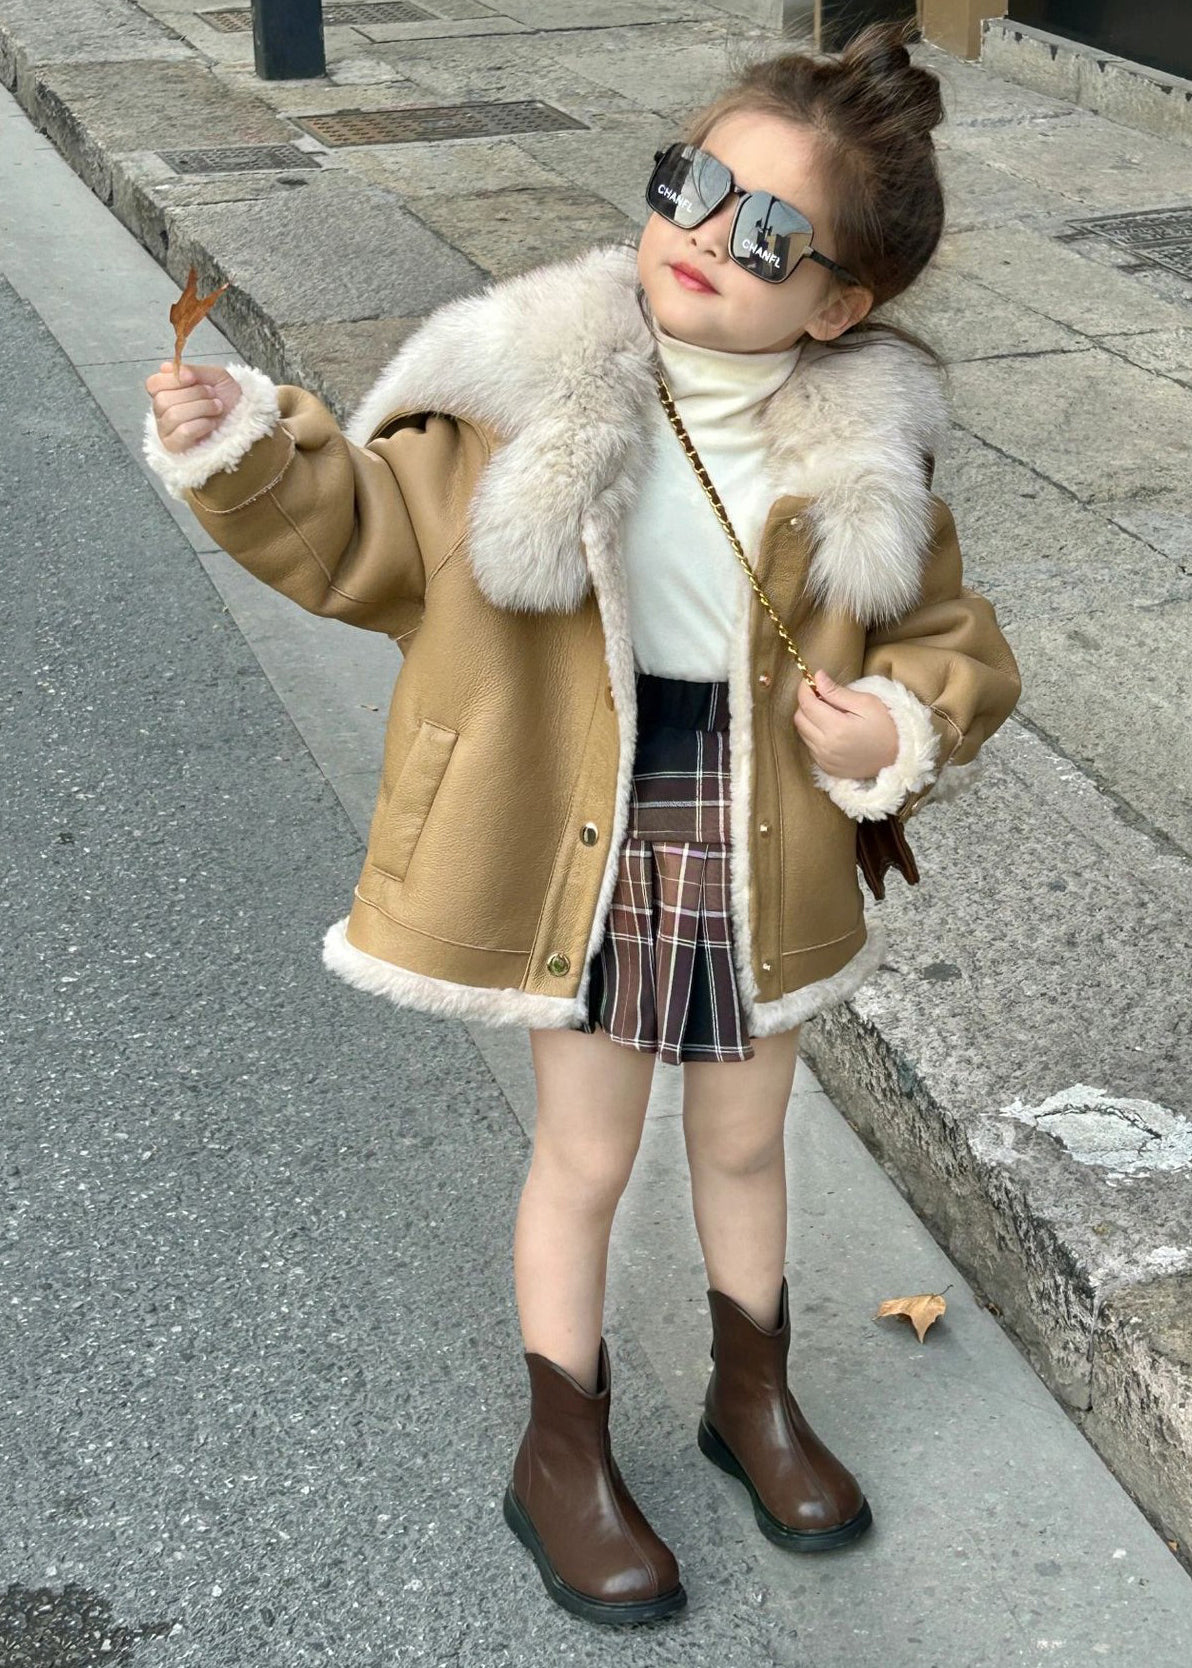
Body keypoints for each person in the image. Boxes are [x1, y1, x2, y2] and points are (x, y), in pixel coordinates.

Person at [144, 19, 1022, 1628]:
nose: (705, 236)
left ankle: (751, 1399)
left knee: (746, 1138)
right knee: (588, 1150)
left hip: (761, 829)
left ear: (840, 303)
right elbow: (364, 534)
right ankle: (562, 1451)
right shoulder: (523, 392)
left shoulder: (870, 456)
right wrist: (243, 447)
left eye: (768, 233)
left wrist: (899, 719)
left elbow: (952, 642)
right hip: (579, 811)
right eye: (692, 185)